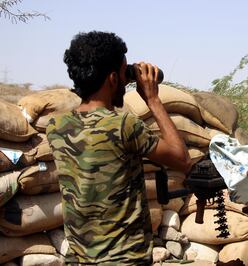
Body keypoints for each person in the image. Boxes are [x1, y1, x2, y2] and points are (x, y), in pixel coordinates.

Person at [46, 31, 192, 265]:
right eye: (125, 73)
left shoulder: (56, 127)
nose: (127, 81)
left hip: (80, 259)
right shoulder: (123, 125)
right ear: (113, 79)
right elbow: (181, 159)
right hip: (125, 259)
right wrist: (152, 99)